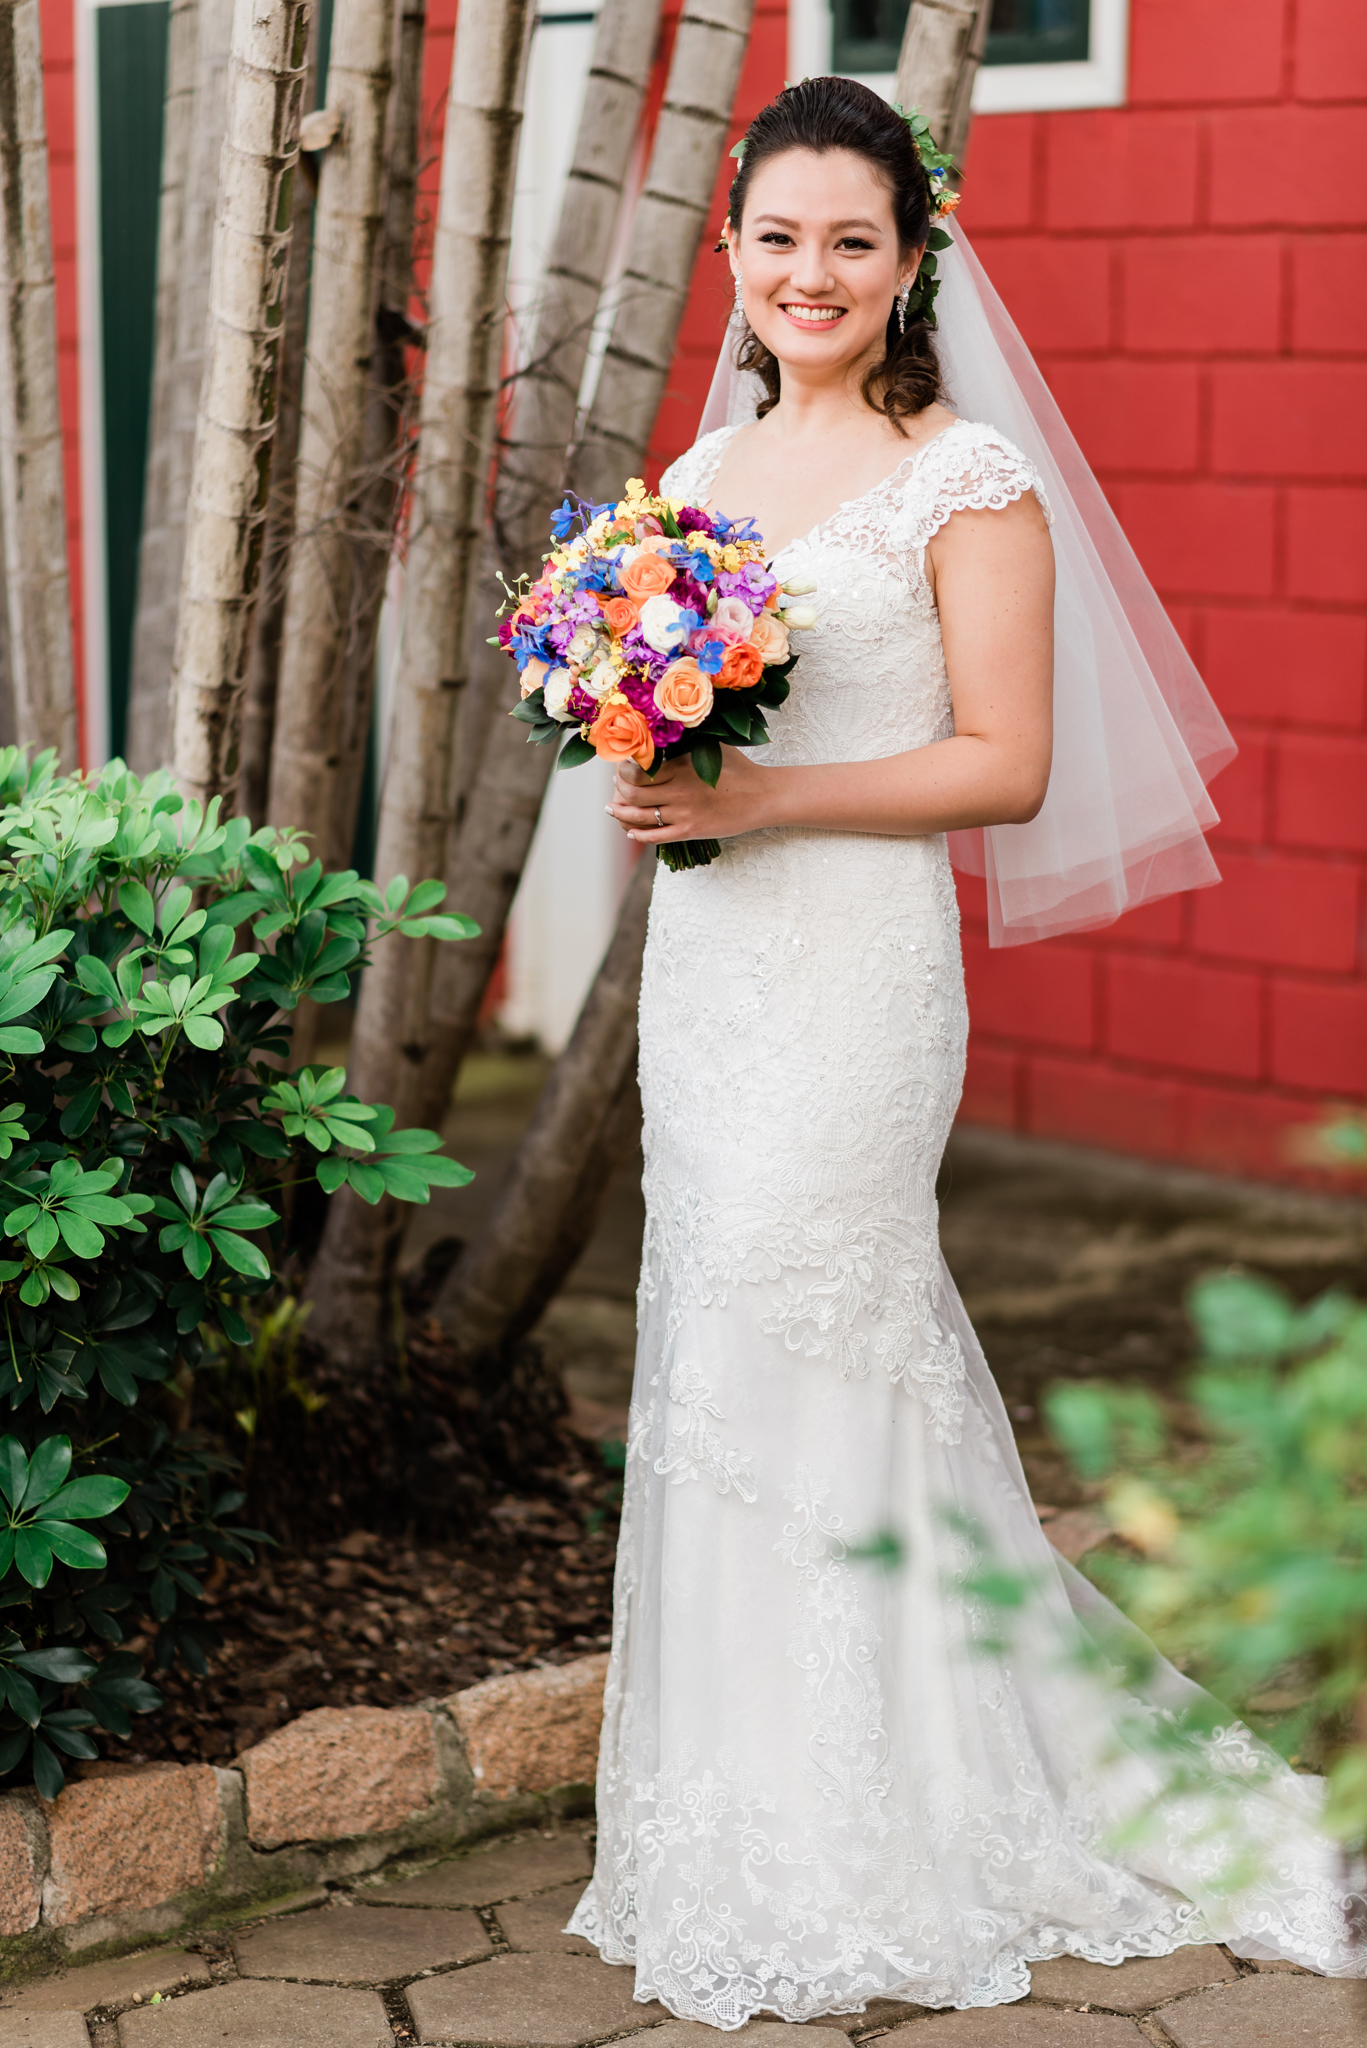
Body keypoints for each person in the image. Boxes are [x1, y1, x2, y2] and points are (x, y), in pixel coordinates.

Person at [568, 76, 1364, 2025]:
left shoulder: (967, 473)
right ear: (734, 256)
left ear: (911, 258)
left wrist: (761, 804)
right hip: (715, 972)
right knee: (721, 1331)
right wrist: (646, 767)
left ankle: (897, 1820)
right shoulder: (704, 470)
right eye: (778, 239)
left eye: (853, 238)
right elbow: (664, 728)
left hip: (853, 972)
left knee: (818, 1307)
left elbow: (1000, 763)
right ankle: (739, 1805)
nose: (810, 273)